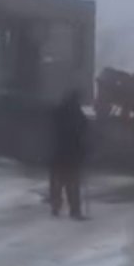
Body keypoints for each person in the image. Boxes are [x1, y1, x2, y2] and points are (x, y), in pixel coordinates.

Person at [48, 90, 89, 219]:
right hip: (72, 154)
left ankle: (55, 207)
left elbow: (49, 130)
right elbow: (84, 131)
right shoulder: (77, 114)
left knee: (57, 182)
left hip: (57, 153)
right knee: (73, 184)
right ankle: (75, 210)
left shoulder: (57, 112)